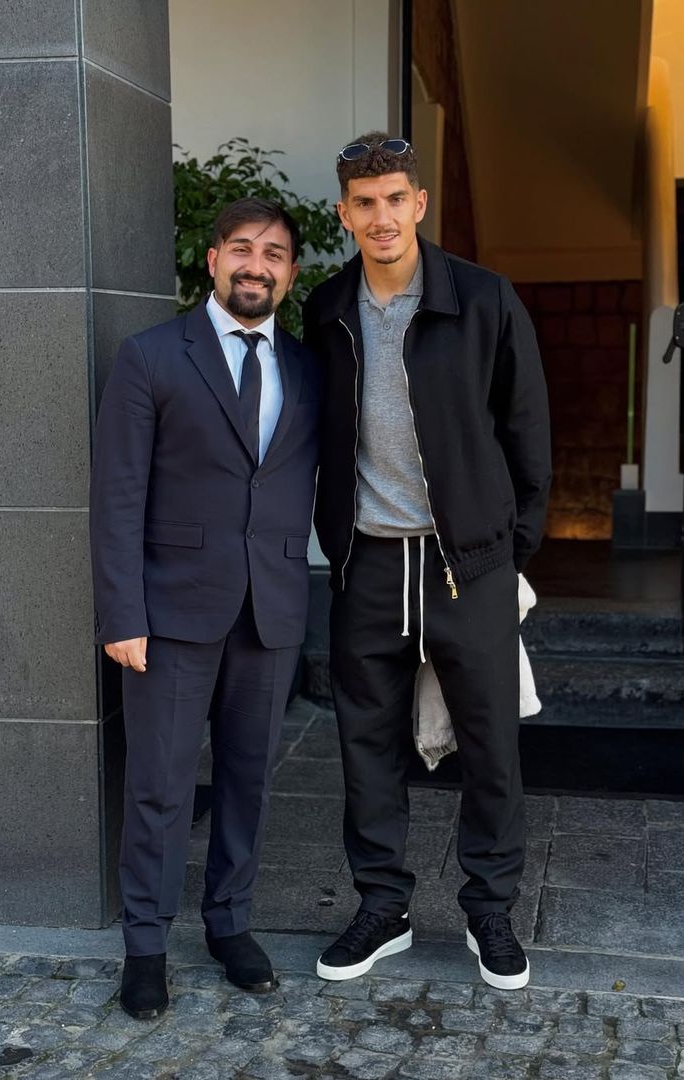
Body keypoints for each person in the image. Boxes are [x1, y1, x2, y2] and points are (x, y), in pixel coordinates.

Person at [303, 134, 551, 991]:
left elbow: (526, 430)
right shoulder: (328, 307)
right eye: (363, 203)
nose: (381, 216)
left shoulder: (481, 300)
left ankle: (490, 910)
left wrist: (506, 547)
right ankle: (383, 905)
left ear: (420, 204)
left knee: (492, 745)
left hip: (466, 565)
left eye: (394, 199)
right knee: (365, 743)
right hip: (368, 563)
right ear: (345, 212)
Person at [90, 197, 320, 1018]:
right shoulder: (152, 357)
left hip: (272, 609)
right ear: (214, 260)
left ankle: (230, 925)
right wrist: (121, 613)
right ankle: (146, 945)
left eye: (275, 254)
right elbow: (117, 496)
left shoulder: (308, 366)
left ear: (292, 274)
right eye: (242, 249)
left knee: (249, 781)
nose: (257, 265)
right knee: (159, 785)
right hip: (169, 612)